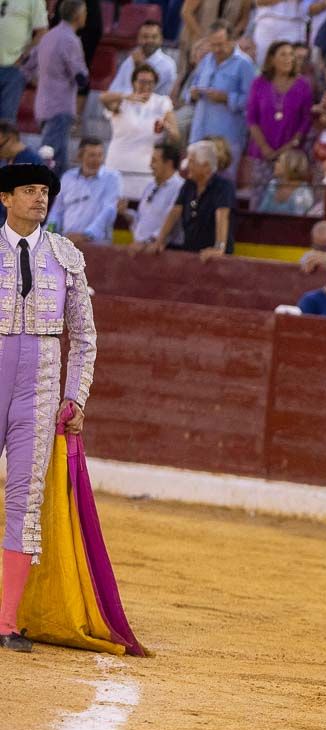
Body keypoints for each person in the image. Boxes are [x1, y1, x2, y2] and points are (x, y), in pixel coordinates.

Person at [0, 162, 97, 654]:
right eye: (28, 190)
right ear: (5, 198)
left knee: (25, 499)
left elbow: (84, 337)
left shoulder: (66, 256)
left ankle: (6, 620)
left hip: (38, 390)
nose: (39, 198)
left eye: (44, 191)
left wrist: (74, 395)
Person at [187, 21, 257, 178]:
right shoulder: (206, 60)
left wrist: (227, 98)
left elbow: (251, 101)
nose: (217, 50)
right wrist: (193, 94)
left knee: (222, 182)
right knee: (196, 180)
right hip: (200, 133)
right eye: (213, 45)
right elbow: (191, 87)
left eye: (221, 45)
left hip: (226, 139)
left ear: (232, 40)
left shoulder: (244, 64)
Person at [99, 64, 178, 201]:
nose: (146, 86)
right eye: (142, 81)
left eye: (150, 82)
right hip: (117, 166)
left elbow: (176, 135)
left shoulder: (162, 102)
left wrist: (167, 128)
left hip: (146, 170)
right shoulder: (122, 102)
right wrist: (126, 97)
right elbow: (102, 98)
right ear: (134, 82)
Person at [145, 141, 236, 260]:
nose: (187, 166)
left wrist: (219, 247)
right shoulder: (189, 185)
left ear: (206, 166)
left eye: (192, 162)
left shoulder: (223, 186)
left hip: (214, 257)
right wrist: (159, 240)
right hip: (191, 251)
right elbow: (175, 211)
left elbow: (222, 216)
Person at [245, 41, 313, 188]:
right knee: (260, 197)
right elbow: (251, 118)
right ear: (271, 59)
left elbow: (306, 120)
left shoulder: (303, 85)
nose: (288, 59)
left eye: (291, 55)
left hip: (290, 157)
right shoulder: (259, 83)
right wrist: (264, 147)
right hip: (262, 153)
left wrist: (287, 148)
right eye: (283, 55)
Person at [32, 0, 88, 177]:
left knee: (59, 161)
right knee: (48, 156)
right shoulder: (70, 40)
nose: (86, 16)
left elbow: (28, 65)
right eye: (85, 12)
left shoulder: (48, 36)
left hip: (43, 104)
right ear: (78, 16)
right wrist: (84, 77)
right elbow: (80, 76)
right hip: (60, 105)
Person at [45, 138, 121, 246]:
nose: (97, 160)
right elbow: (57, 210)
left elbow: (109, 210)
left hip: (96, 244)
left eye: (100, 155)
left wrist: (86, 235)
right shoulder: (68, 177)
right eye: (92, 155)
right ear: (80, 156)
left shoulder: (112, 178)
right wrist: (50, 231)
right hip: (66, 241)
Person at [127, 142, 185, 247]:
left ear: (168, 164)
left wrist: (147, 242)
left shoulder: (180, 188)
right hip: (140, 247)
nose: (150, 165)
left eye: (154, 161)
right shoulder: (149, 187)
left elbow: (171, 223)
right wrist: (126, 213)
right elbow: (141, 220)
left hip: (163, 250)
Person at [108, 20, 177, 97]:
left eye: (154, 37)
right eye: (145, 37)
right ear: (138, 39)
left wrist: (139, 66)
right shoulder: (130, 60)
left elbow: (144, 93)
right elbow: (113, 89)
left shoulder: (167, 64)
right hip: (124, 102)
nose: (149, 40)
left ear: (161, 39)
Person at [255, 148, 315, 215]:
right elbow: (261, 212)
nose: (275, 164)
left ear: (291, 165)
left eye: (278, 161)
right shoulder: (273, 184)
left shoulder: (303, 191)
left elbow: (298, 218)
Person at [253, 1, 307, 67]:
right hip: (267, 21)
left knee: (292, 63)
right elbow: (259, 2)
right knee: (261, 61)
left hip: (294, 22)